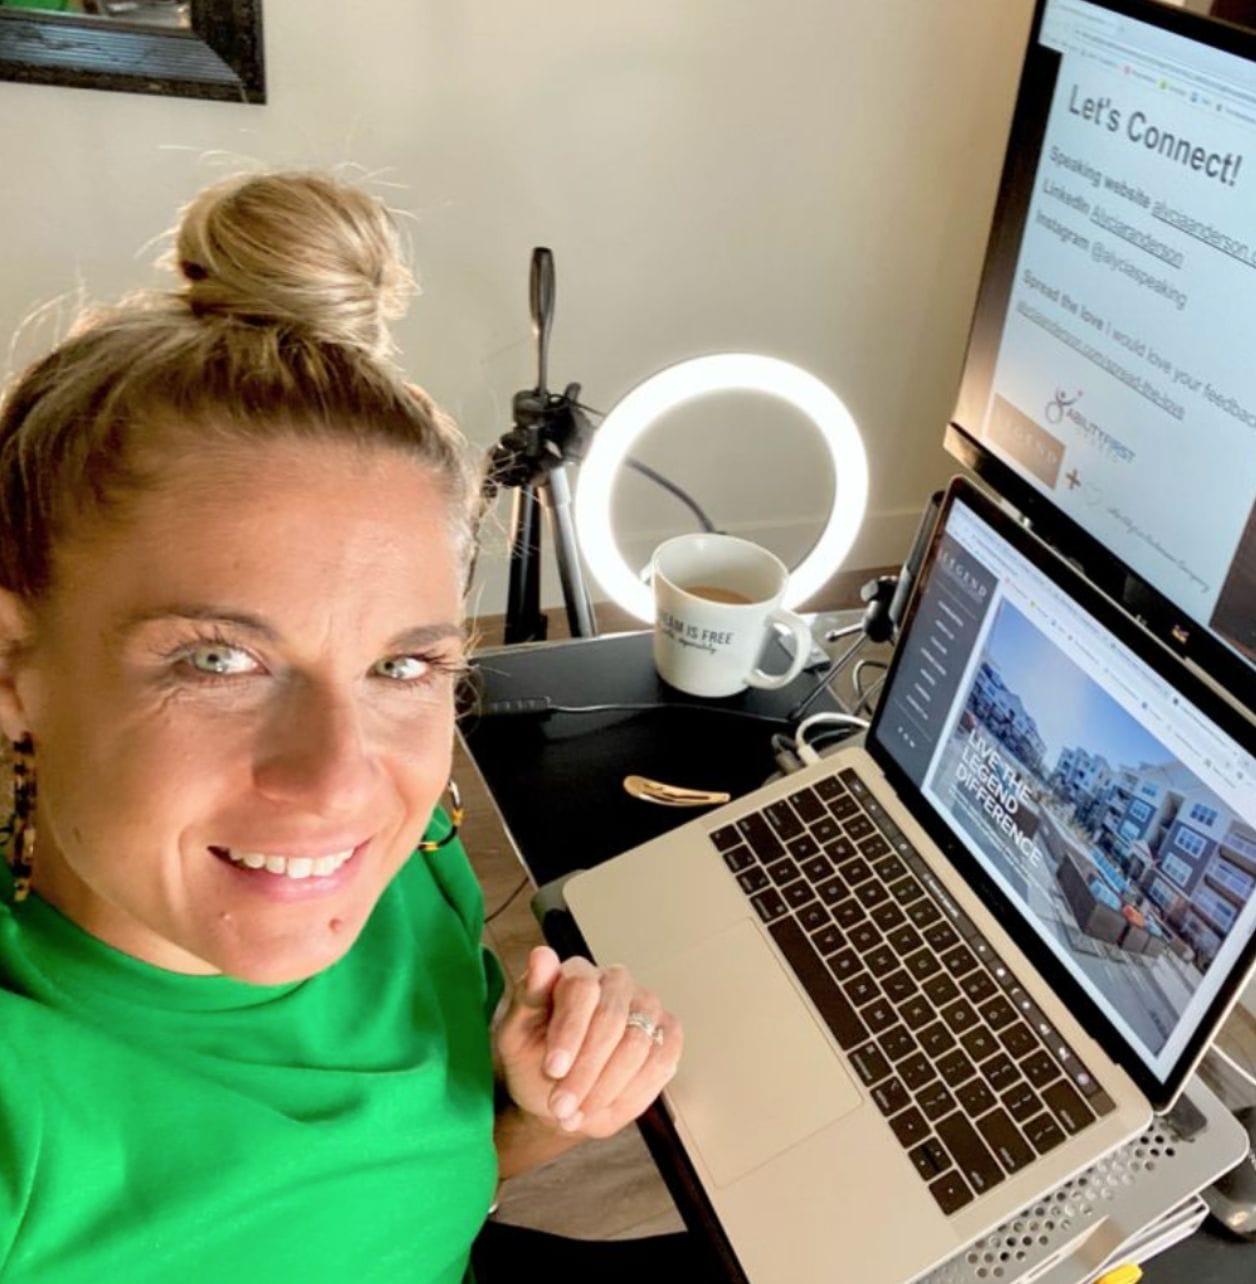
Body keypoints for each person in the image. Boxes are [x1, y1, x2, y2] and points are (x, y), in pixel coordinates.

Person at [0, 170, 695, 1282]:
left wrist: (536, 1111)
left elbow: (379, 1209)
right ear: (14, 663)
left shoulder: (411, 876)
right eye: (217, 659)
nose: (339, 785)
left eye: (403, 664)